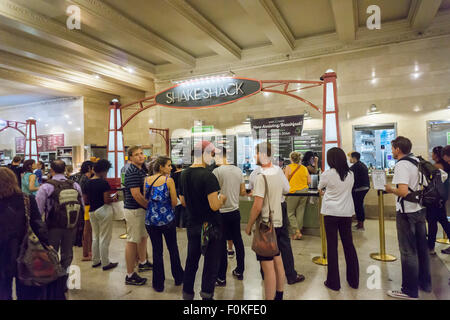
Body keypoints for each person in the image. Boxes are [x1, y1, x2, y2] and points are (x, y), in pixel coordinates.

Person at [384, 136, 431, 300]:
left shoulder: (402, 164)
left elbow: (403, 191)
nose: (392, 151)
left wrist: (390, 189)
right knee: (421, 248)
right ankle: (425, 283)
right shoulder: (417, 162)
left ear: (397, 149)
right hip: (419, 210)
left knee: (408, 251)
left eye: (392, 148)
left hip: (407, 213)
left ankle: (409, 290)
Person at [179, 141, 227, 300]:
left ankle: (187, 294)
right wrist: (222, 199)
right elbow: (214, 206)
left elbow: (183, 201)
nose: (213, 158)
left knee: (191, 260)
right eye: (213, 154)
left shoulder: (184, 174)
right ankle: (206, 294)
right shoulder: (208, 176)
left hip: (192, 223)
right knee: (210, 262)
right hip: (209, 226)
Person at [249, 158, 306, 286]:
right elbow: (287, 189)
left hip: (263, 210)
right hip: (278, 208)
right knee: (283, 242)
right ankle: (290, 275)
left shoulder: (255, 173)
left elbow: (252, 190)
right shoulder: (278, 171)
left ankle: (266, 275)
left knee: (264, 240)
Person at [0, 167, 50, 300]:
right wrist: (46, 243)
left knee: (3, 289)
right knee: (27, 289)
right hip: (25, 250)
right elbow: (38, 225)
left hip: (2, 251)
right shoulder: (27, 200)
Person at [245, 142, 286, 300]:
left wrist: (249, 226)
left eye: (256, 153)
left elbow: (257, 206)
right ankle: (280, 295)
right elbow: (285, 190)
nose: (255, 156)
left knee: (267, 268)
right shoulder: (277, 173)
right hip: (278, 223)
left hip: (265, 226)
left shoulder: (261, 177)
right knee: (278, 260)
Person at [35, 160, 84, 291]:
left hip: (53, 226)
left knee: (52, 253)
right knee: (67, 253)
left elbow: (38, 210)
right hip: (71, 225)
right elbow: (82, 206)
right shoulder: (74, 185)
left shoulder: (46, 187)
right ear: (64, 169)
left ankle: (53, 280)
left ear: (51, 170)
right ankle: (64, 281)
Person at [318, 147, 359, 291]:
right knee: (349, 245)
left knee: (332, 246)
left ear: (330, 160)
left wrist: (325, 191)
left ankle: (333, 282)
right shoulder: (351, 174)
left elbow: (320, 188)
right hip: (346, 213)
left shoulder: (327, 174)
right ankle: (354, 280)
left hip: (330, 212)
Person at [144, 156, 184, 292]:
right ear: (161, 167)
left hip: (150, 220)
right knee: (172, 249)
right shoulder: (169, 180)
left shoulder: (147, 180)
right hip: (167, 220)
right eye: (168, 165)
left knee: (157, 251)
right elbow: (174, 201)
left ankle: (158, 284)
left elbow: (146, 198)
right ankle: (178, 277)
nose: (171, 167)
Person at [213, 148, 247, 284]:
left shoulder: (217, 172)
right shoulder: (238, 170)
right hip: (235, 211)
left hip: (221, 213)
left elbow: (213, 192)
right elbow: (243, 191)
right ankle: (240, 270)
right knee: (238, 240)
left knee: (221, 244)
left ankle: (221, 277)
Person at [123, 146, 153, 286]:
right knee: (132, 240)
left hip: (141, 211)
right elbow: (136, 194)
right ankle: (130, 275)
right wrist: (149, 206)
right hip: (134, 210)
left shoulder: (142, 170)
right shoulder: (132, 171)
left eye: (141, 153)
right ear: (130, 158)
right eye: (137, 155)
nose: (141, 156)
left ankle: (143, 262)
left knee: (142, 237)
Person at [84, 159, 118, 271]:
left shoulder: (87, 182)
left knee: (96, 237)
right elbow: (106, 200)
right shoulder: (103, 183)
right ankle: (105, 262)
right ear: (104, 171)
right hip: (103, 210)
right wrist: (114, 198)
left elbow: (85, 199)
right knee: (105, 237)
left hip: (92, 211)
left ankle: (96, 261)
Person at [427, 146, 450, 255]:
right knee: (443, 221)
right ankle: (430, 247)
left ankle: (430, 248)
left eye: (432, 153)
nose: (431, 155)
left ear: (436, 155)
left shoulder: (436, 166)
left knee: (433, 222)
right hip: (442, 198)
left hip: (434, 199)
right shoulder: (446, 165)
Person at [70, 160, 95, 261]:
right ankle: (87, 252)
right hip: (85, 205)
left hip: (75, 204)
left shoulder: (76, 176)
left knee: (82, 227)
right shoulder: (86, 179)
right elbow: (84, 195)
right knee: (87, 229)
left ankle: (85, 249)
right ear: (89, 168)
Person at [284, 151, 310, 240]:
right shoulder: (304, 168)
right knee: (300, 211)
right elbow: (309, 181)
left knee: (290, 212)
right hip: (304, 191)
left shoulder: (288, 167)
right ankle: (298, 231)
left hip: (293, 192)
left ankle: (296, 232)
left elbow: (285, 181)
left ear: (291, 159)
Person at [349, 151, 370, 231]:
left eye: (350, 157)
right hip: (364, 187)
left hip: (360, 189)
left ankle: (360, 225)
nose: (349, 159)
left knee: (358, 206)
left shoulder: (356, 166)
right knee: (359, 205)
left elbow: (348, 173)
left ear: (354, 158)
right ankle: (360, 223)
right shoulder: (361, 164)